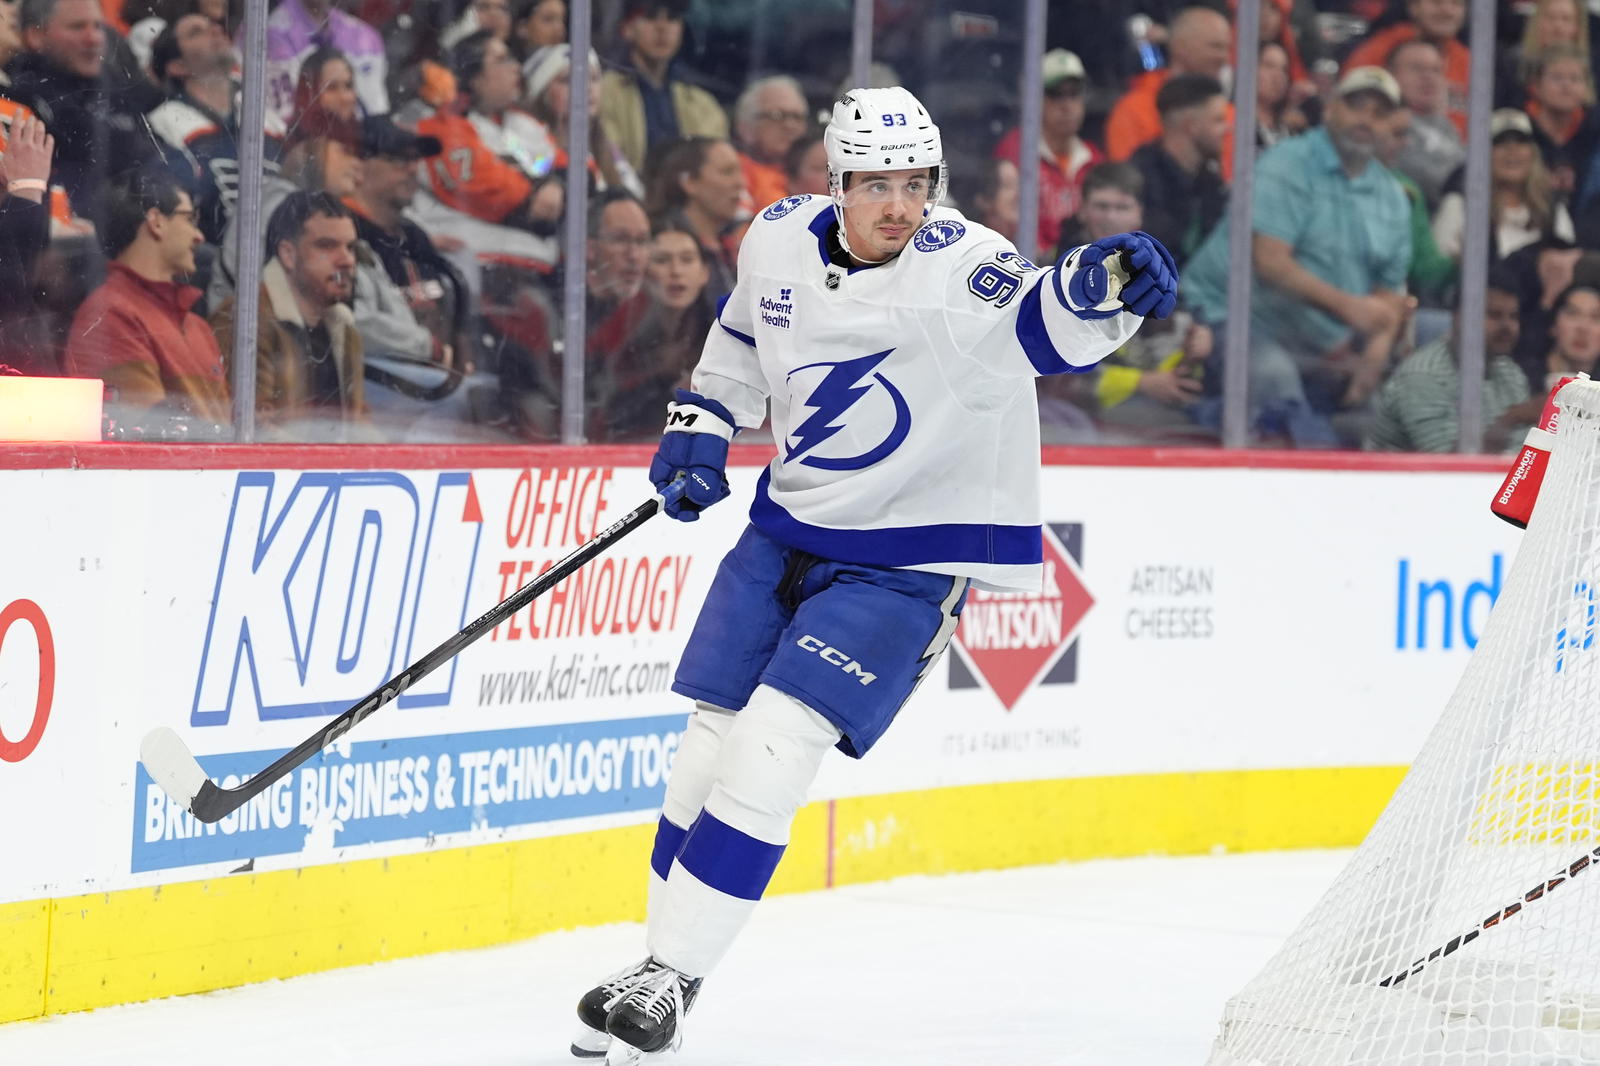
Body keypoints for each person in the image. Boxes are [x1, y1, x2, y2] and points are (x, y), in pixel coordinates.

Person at [570, 85, 1176, 1063]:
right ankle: (659, 961)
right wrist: (705, 418)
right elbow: (740, 334)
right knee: (706, 750)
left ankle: (672, 975)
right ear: (836, 183)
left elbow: (1043, 323)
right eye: (877, 185)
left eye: (916, 183)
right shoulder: (776, 235)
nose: (901, 205)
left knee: (771, 748)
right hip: (786, 530)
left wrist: (1102, 283)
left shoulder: (961, 262)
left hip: (906, 560)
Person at [1182, 66, 1412, 448]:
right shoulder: (1286, 163)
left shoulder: (1392, 197)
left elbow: (1388, 292)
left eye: (1379, 113)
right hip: (1230, 316)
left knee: (1383, 411)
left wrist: (1375, 354)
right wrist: (1350, 310)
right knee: (1274, 378)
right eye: (1356, 106)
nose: (1366, 120)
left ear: (1392, 126)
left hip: (1317, 338)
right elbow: (1269, 262)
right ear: (1329, 109)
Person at [63, 168, 228, 431]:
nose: (199, 236)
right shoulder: (110, 314)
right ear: (156, 221)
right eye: (189, 219)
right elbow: (146, 432)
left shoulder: (197, 327)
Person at [210, 190, 366, 433]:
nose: (347, 260)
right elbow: (251, 430)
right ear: (288, 254)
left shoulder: (344, 329)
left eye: (351, 247)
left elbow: (359, 426)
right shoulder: (245, 321)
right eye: (327, 246)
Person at [5, 0, 162, 225]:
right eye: (77, 27)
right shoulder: (21, 98)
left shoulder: (113, 87)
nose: (94, 38)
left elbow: (155, 157)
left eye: (98, 26)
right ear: (36, 36)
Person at [1365, 272, 1533, 452]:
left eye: (1513, 316)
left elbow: (1522, 452)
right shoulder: (1423, 376)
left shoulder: (1509, 371)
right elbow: (1450, 463)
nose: (1507, 326)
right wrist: (1511, 419)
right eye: (1494, 315)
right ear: (1458, 317)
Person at [146, 12, 265, 246]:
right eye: (196, 32)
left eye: (214, 25)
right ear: (178, 66)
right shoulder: (164, 122)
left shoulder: (265, 114)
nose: (217, 30)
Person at [992, 48, 1101, 260]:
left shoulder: (1094, 158)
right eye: (1055, 94)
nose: (1067, 106)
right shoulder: (1015, 151)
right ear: (1032, 98)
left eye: (1074, 94)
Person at [597, 0, 727, 176]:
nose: (662, 27)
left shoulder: (701, 102)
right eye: (650, 17)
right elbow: (608, 162)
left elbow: (717, 166)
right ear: (627, 28)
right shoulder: (604, 92)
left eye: (672, 18)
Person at [1434, 108, 1574, 262]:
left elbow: (1568, 264)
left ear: (1533, 153)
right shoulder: (1459, 206)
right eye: (1500, 142)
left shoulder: (1553, 209)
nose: (1511, 150)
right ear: (1482, 154)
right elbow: (1439, 267)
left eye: (1520, 141)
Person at [1105, 6, 1233, 167]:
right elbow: (1127, 179)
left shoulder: (1229, 115)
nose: (1224, 58)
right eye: (1215, 47)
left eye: (1227, 48)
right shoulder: (1134, 111)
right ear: (1180, 46)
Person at [1127, 73, 1228, 267]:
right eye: (1218, 120)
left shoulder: (1210, 182)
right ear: (1191, 126)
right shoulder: (1138, 181)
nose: (1227, 129)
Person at [643, 135, 746, 302]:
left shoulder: (734, 244)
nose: (740, 183)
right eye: (727, 172)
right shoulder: (661, 242)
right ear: (689, 182)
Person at [1343, 0, 1470, 136]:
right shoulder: (1377, 51)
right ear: (1413, 7)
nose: (1447, 11)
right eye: (1436, 2)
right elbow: (1349, 112)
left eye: (1456, 4)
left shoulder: (1470, 62)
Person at [262, 0, 386, 129]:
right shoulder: (272, 36)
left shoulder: (365, 38)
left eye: (348, 86)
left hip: (354, 136)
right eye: (332, 88)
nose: (344, 97)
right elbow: (281, 125)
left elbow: (377, 114)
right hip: (304, 137)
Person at [1385, 38, 1463, 211]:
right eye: (1417, 68)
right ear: (1391, 74)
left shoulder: (1448, 127)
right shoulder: (1387, 125)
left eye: (1436, 70)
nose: (1428, 77)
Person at [731, 74, 808, 213]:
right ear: (745, 126)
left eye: (797, 117)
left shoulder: (819, 172)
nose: (790, 125)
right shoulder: (732, 172)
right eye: (777, 115)